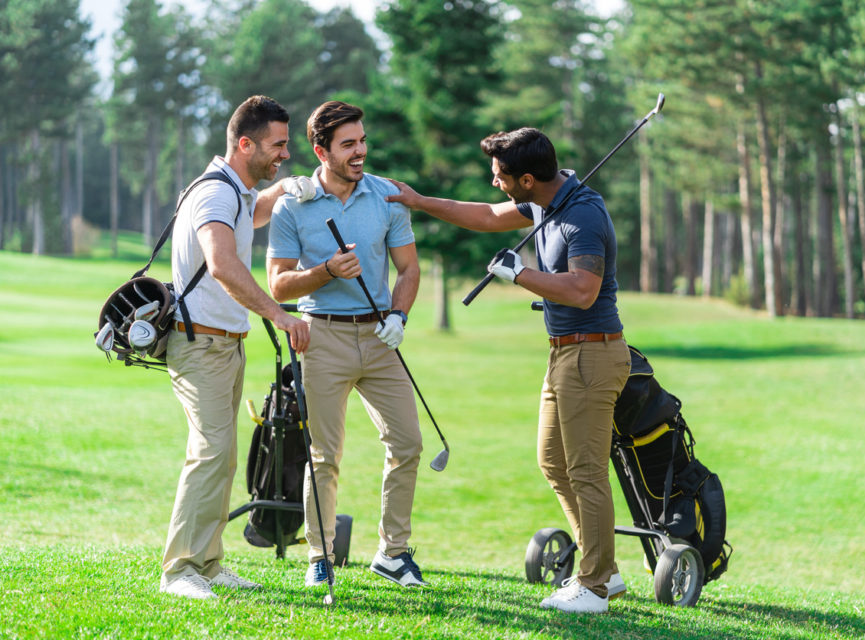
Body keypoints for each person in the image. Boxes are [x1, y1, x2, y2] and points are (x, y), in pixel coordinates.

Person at [385, 127, 631, 613]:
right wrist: (418, 200)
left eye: (499, 175)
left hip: (593, 353)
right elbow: (485, 215)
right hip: (564, 352)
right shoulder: (545, 200)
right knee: (554, 462)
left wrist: (520, 275)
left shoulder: (582, 213)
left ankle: (596, 585)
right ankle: (602, 568)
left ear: (526, 177)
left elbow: (583, 289)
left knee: (585, 471)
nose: (493, 182)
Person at [266, 100, 427, 589]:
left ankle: (393, 554)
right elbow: (278, 285)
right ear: (321, 150)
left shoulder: (386, 196)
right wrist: (326, 272)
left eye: (362, 141)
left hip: (380, 336)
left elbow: (409, 269)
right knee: (325, 455)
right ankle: (320, 556)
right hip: (323, 336)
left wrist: (399, 314)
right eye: (348, 145)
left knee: (408, 443)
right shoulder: (293, 203)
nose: (360, 152)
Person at [160, 95, 311, 600]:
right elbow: (222, 262)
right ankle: (179, 570)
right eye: (278, 146)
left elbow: (255, 212)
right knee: (209, 453)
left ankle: (208, 561)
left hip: (224, 345)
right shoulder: (216, 195)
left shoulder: (237, 190)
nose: (284, 154)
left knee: (221, 457)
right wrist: (277, 313)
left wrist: (287, 188)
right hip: (200, 344)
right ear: (245, 144)